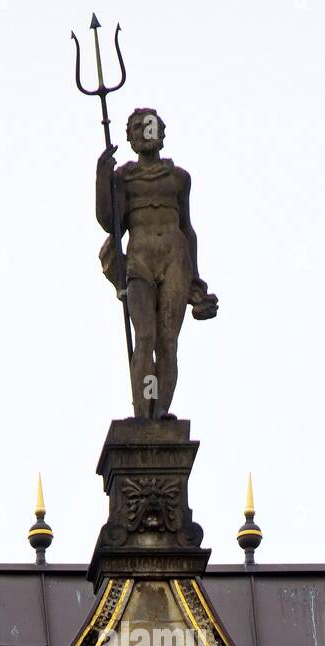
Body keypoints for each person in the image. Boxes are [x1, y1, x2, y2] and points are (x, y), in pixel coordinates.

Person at [96, 108, 218, 419]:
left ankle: (161, 410)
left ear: (160, 132)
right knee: (145, 336)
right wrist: (102, 177)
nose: (144, 131)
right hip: (140, 258)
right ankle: (143, 411)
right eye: (137, 127)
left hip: (174, 257)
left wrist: (196, 281)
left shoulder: (178, 179)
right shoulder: (124, 177)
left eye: (149, 126)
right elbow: (111, 222)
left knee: (167, 341)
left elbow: (187, 228)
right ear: (130, 137)